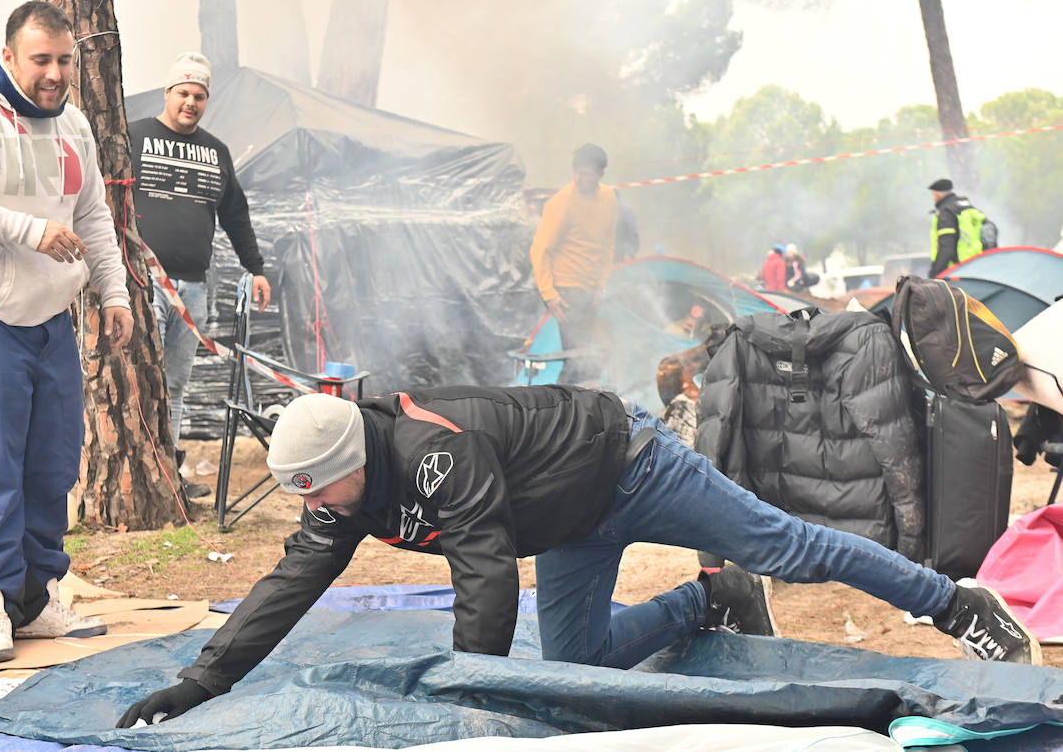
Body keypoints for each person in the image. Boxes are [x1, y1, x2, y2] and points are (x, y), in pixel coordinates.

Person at [117, 385, 1040, 728]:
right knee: (579, 669)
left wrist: (471, 705)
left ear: (348, 466)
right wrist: (202, 682)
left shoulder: (434, 453)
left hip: (630, 468)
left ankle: (956, 604)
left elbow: (482, 576)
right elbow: (289, 583)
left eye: (314, 492)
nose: (310, 513)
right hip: (564, 524)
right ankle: (709, 603)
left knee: (787, 545)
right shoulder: (341, 487)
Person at [0, 0, 134, 665]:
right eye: (41, 59)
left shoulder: (74, 126)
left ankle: (35, 600)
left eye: (65, 60)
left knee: (51, 463)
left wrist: (114, 292)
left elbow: (92, 215)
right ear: (9, 55)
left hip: (49, 320)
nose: (55, 73)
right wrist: (29, 230)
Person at [129, 52, 270, 499]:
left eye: (200, 96)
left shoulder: (215, 152)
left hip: (193, 288)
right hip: (143, 281)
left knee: (174, 382)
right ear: (168, 93)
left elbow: (237, 215)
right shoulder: (133, 137)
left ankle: (167, 474)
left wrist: (256, 268)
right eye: (184, 93)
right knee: (134, 376)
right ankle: (133, 472)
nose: (191, 102)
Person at [529, 144, 618, 382]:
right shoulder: (560, 203)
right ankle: (558, 408)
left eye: (586, 173)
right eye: (575, 171)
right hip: (565, 291)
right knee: (577, 359)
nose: (579, 178)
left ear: (600, 174)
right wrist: (549, 295)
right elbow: (539, 250)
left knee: (590, 357)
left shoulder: (609, 198)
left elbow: (607, 244)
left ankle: (585, 407)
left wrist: (601, 285)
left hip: (590, 289)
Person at [928, 178, 988, 277]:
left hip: (956, 270)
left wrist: (935, 274)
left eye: (933, 195)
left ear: (937, 194)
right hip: (977, 266)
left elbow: (946, 248)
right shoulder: (969, 208)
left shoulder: (946, 212)